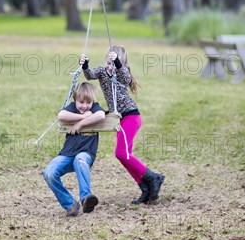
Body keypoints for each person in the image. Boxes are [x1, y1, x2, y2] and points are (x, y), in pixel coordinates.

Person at [80, 45, 165, 205]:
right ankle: (145, 188)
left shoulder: (122, 72)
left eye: (115, 57)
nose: (110, 60)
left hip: (130, 116)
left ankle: (154, 177)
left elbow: (126, 78)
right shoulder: (101, 71)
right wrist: (85, 64)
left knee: (121, 153)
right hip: (119, 118)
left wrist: (118, 64)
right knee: (125, 156)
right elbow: (90, 75)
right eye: (110, 57)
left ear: (121, 60)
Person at [43, 82, 105, 217]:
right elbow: (61, 115)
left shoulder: (94, 108)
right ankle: (70, 204)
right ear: (75, 100)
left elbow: (101, 115)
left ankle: (86, 199)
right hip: (67, 153)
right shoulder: (72, 108)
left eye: (88, 102)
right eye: (81, 102)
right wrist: (83, 117)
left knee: (80, 158)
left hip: (85, 154)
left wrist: (81, 124)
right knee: (49, 173)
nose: (84, 106)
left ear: (93, 101)